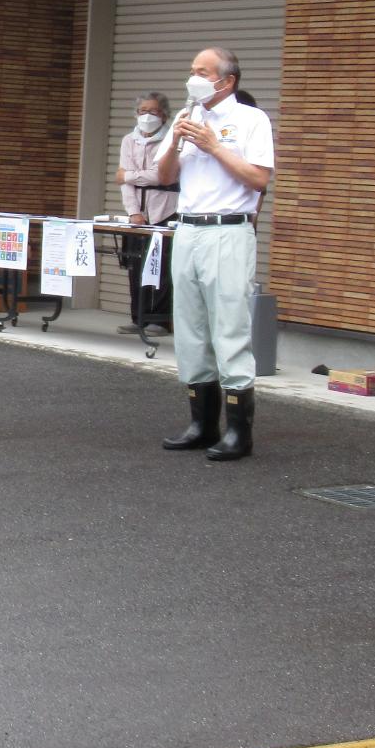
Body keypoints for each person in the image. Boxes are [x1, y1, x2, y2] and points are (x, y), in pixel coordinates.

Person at [157, 46, 274, 462]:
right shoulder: (187, 118)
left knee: (228, 326)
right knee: (189, 329)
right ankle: (201, 423)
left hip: (227, 230)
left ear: (227, 80)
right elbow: (164, 176)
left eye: (203, 72)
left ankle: (239, 430)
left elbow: (258, 179)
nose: (195, 78)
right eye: (192, 71)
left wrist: (214, 146)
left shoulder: (251, 119)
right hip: (187, 227)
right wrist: (175, 141)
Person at [116, 91, 178, 334]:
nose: (147, 116)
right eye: (143, 111)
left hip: (166, 208)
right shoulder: (128, 140)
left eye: (153, 111)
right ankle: (137, 317)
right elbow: (125, 183)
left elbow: (161, 176)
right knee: (136, 264)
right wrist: (133, 212)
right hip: (138, 212)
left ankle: (160, 320)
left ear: (164, 115)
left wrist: (128, 175)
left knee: (162, 267)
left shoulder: (172, 140)